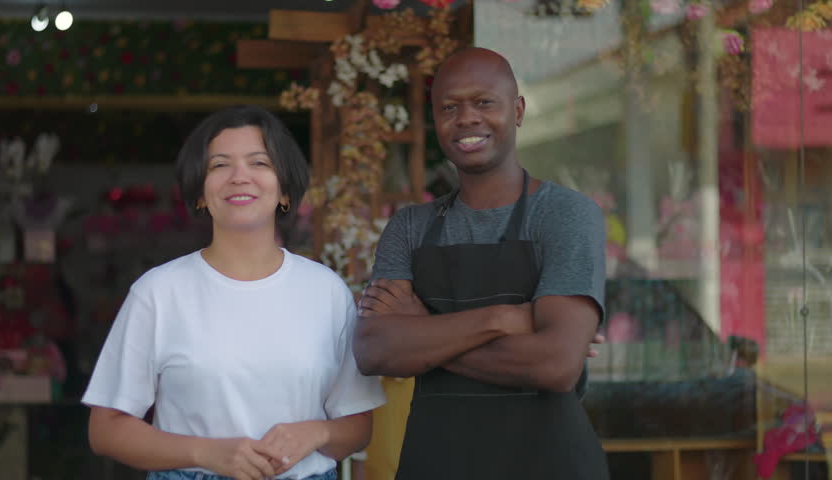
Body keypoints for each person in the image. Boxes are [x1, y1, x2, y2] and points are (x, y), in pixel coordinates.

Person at [83, 105, 386, 480]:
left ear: (285, 192)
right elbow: (106, 428)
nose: (239, 176)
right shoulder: (158, 293)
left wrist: (319, 431)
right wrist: (205, 452)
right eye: (219, 165)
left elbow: (359, 427)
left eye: (259, 163)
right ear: (199, 194)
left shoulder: (326, 291)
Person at [353, 47, 610, 479]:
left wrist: (425, 336)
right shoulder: (410, 228)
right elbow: (374, 350)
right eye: (449, 107)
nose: (467, 118)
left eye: (484, 102)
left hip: (551, 465)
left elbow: (556, 366)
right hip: (436, 463)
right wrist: (502, 318)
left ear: (518, 110)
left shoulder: (566, 215)